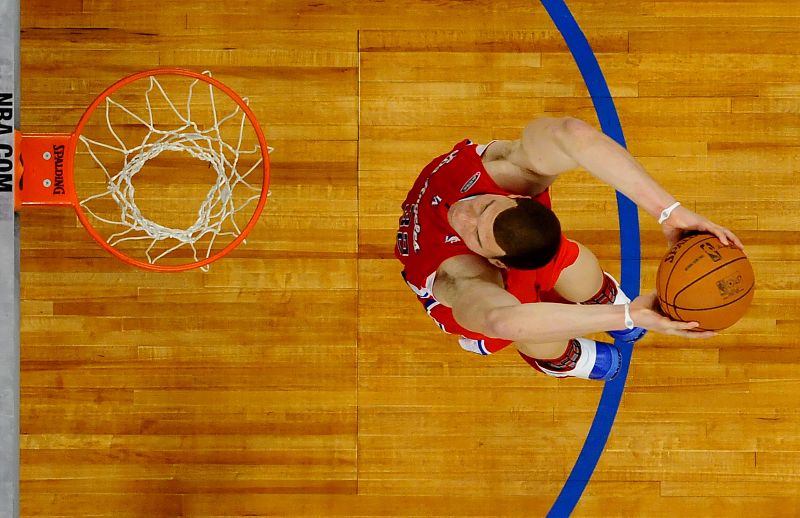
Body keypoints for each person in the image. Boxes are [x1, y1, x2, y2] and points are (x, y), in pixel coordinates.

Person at [395, 117, 743, 381]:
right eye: (476, 227)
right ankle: (560, 359)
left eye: (483, 213)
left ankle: (601, 298)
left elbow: (573, 137)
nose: (463, 215)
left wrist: (668, 214)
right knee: (537, 334)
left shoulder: (508, 185)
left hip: (528, 258)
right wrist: (627, 315)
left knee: (576, 265)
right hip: (496, 303)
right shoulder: (459, 273)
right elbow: (500, 320)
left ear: (516, 197)